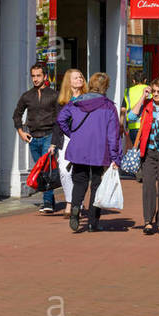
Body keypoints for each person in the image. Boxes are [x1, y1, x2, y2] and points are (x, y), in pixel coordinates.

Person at [57, 71, 124, 233]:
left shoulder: (75, 103)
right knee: (96, 185)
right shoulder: (108, 107)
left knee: (79, 181)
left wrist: (72, 134)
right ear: (105, 87)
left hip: (78, 149)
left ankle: (74, 207)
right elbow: (113, 135)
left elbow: (61, 119)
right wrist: (115, 157)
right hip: (99, 152)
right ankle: (93, 222)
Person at [13, 64, 59, 213]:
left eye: (38, 75)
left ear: (45, 76)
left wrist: (55, 140)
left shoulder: (53, 95)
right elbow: (17, 114)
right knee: (41, 170)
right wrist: (21, 131)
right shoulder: (27, 96)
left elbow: (60, 118)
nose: (35, 79)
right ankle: (50, 199)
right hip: (33, 138)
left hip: (49, 135)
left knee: (46, 168)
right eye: (33, 76)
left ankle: (47, 202)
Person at [135, 75, 159, 235]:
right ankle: (148, 221)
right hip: (149, 152)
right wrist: (143, 96)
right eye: (154, 91)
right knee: (148, 186)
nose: (156, 94)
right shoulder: (147, 105)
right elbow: (131, 116)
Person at [54, 69, 89, 214]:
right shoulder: (62, 101)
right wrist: (53, 143)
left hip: (83, 139)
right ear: (69, 81)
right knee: (64, 171)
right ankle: (70, 200)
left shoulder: (88, 98)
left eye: (81, 77)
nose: (79, 79)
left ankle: (75, 204)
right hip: (66, 138)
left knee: (79, 173)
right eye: (76, 78)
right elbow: (57, 123)